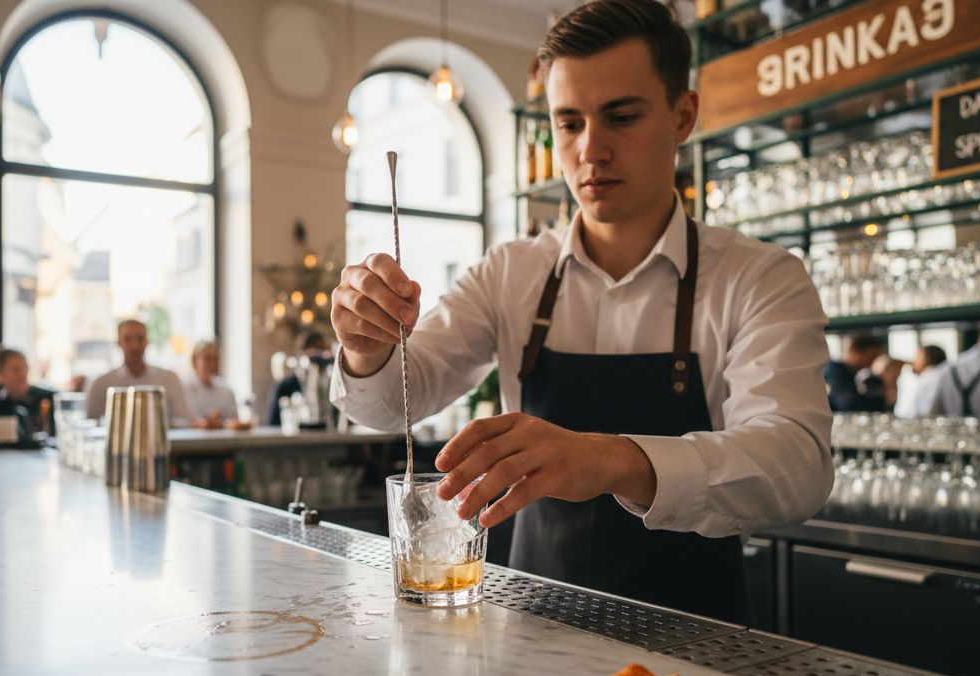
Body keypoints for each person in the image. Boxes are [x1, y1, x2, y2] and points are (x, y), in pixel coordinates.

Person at [329, 0, 832, 624]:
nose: (591, 150)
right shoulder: (510, 273)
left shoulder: (760, 278)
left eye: (621, 117)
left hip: (700, 646)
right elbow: (389, 406)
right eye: (568, 124)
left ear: (683, 115)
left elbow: (798, 466)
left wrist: (611, 460)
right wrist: (366, 343)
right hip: (534, 630)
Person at [85, 319, 193, 427]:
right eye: (128, 339)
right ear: (118, 343)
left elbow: (186, 419)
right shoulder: (101, 383)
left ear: (147, 341)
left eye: (140, 338)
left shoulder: (169, 379)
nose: (135, 346)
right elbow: (91, 424)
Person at [0, 348, 58, 436]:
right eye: (16, 370)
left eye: (25, 368)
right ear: (0, 375)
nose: (23, 374)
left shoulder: (50, 398)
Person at [265, 330, 333, 426]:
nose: (325, 355)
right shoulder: (284, 387)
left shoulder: (333, 386)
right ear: (303, 354)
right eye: (319, 350)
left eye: (327, 350)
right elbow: (273, 425)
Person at [823, 336, 899, 413]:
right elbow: (848, 404)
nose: (873, 361)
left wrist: (888, 381)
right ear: (855, 351)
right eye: (871, 356)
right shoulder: (834, 370)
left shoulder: (859, 375)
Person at [182, 340, 239, 426]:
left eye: (215, 359)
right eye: (207, 359)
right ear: (194, 361)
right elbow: (185, 421)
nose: (212, 364)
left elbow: (234, 421)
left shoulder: (227, 390)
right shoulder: (184, 388)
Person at [894, 345, 947, 418]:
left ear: (927, 359)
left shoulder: (929, 379)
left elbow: (910, 412)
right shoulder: (939, 377)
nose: (913, 361)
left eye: (917, 357)